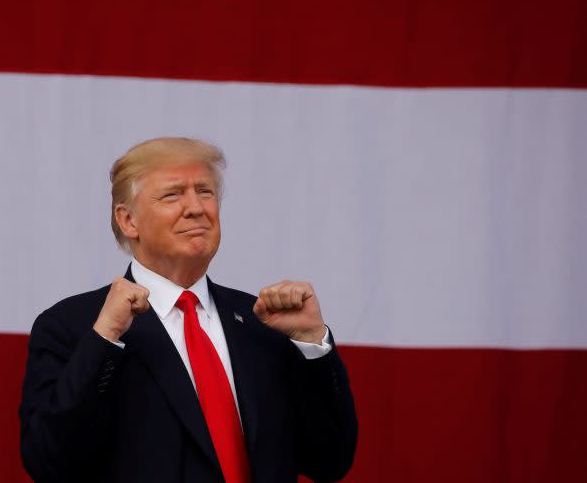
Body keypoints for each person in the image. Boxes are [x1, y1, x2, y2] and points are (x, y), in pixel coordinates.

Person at [19, 137, 357, 483]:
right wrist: (104, 339)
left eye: (205, 192)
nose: (196, 207)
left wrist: (311, 344)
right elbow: (51, 463)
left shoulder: (262, 322)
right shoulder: (76, 326)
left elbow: (329, 459)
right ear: (128, 221)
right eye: (173, 194)